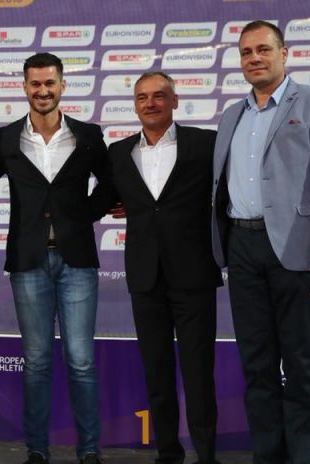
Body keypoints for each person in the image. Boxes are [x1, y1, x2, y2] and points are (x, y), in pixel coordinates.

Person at [211, 20, 310, 463]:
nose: (254, 58)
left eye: (263, 49)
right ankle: (267, 456)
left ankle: (301, 457)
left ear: (284, 53)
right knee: (256, 367)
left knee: (300, 365)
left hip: (298, 252)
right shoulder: (232, 115)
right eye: (246, 52)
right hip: (241, 249)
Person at [0, 52, 109, 464]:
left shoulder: (88, 135)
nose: (43, 90)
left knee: (81, 361)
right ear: (24, 87)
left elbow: (111, 184)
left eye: (50, 83)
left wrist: (82, 215)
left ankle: (89, 450)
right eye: (35, 84)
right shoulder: (5, 138)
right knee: (36, 361)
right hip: (28, 263)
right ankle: (37, 450)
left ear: (62, 85)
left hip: (78, 262)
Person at [100, 71, 221, 464]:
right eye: (142, 97)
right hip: (145, 278)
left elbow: (227, 196)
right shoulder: (119, 153)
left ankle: (207, 456)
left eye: (158, 96)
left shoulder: (205, 144)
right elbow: (102, 199)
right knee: (157, 373)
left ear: (174, 101)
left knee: (199, 373)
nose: (150, 103)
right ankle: (168, 453)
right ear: (135, 105)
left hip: (194, 276)